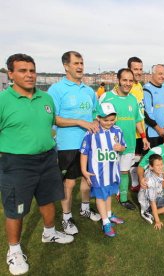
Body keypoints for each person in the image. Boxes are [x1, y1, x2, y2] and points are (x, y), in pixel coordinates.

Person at [1, 54, 73, 276]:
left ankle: (49, 232)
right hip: (16, 163)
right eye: (22, 71)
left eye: (32, 70)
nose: (29, 75)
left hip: (47, 159)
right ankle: (13, 250)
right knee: (16, 209)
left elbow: (49, 125)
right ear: (10, 74)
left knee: (48, 198)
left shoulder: (45, 98)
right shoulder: (3, 100)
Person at [48, 51, 100, 235]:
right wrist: (79, 122)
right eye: (76, 63)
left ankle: (85, 209)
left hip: (89, 143)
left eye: (82, 63)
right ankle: (66, 217)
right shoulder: (56, 89)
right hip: (67, 145)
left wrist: (94, 122)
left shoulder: (88, 90)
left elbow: (96, 113)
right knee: (69, 183)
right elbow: (54, 118)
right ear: (66, 66)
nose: (80, 67)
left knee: (88, 178)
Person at [99, 68, 149, 210]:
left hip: (129, 143)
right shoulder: (107, 97)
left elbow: (138, 120)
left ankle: (124, 198)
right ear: (118, 80)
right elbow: (96, 117)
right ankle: (103, 199)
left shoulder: (133, 99)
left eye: (130, 80)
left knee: (124, 171)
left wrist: (144, 137)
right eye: (125, 80)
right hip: (109, 145)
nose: (128, 83)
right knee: (107, 172)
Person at [80, 102, 126, 237]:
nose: (109, 123)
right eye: (106, 120)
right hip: (97, 173)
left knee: (109, 194)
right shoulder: (91, 133)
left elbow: (123, 146)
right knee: (100, 196)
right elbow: (84, 152)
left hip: (112, 172)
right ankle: (105, 222)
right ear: (98, 118)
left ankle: (110, 214)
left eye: (112, 120)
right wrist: (84, 170)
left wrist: (121, 148)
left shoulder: (117, 130)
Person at [137, 154, 164, 229]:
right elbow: (152, 202)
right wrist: (157, 221)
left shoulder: (152, 171)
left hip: (154, 195)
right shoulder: (151, 182)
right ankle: (152, 212)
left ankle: (155, 212)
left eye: (161, 164)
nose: (161, 167)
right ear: (151, 167)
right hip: (149, 203)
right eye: (157, 165)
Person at [126, 57, 147, 192]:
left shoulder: (139, 86)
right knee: (125, 161)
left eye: (140, 69)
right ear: (129, 70)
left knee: (138, 158)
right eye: (135, 69)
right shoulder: (126, 87)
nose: (139, 72)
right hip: (129, 132)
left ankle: (134, 183)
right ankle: (118, 190)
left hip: (140, 131)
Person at [143, 64, 164, 147]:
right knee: (153, 158)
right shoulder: (147, 89)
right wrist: (159, 129)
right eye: (160, 74)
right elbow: (147, 114)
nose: (163, 76)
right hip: (153, 133)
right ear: (153, 74)